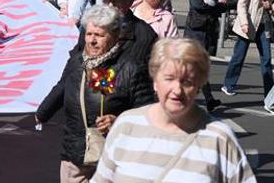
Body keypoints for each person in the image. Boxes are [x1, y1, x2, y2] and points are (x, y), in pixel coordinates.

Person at [91, 38, 257, 183]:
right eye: (169, 79)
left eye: (187, 82)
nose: (177, 90)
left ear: (199, 85)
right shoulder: (127, 126)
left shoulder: (218, 138)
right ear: (155, 80)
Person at [36, 4, 155, 182]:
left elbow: (148, 114)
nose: (92, 41)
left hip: (113, 159)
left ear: (115, 36)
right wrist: (43, 112)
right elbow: (63, 86)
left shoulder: (131, 68)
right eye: (89, 34)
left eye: (99, 35)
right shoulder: (77, 62)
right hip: (76, 155)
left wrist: (118, 120)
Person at [224, 0, 274, 97]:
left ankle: (269, 90)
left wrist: (270, 6)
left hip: (263, 24)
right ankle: (229, 84)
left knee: (266, 58)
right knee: (239, 56)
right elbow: (241, 4)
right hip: (248, 23)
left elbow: (271, 6)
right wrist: (244, 23)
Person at [184, 0, 226, 112]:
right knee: (194, 66)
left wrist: (212, 2)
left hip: (210, 30)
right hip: (195, 29)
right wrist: (214, 2)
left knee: (201, 66)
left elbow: (221, 6)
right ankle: (196, 99)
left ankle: (207, 99)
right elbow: (197, 4)